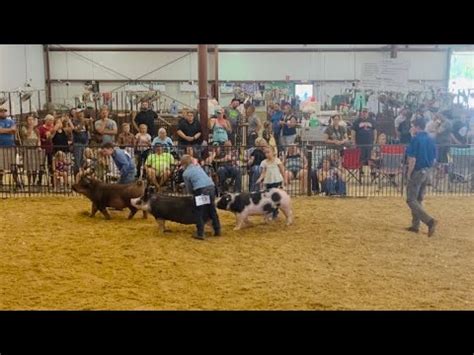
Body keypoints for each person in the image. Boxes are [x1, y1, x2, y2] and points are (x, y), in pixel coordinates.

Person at [405, 117, 437, 237]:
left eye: (412, 126)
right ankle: (415, 226)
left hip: (418, 170)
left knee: (411, 199)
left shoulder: (416, 139)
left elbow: (412, 158)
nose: (411, 128)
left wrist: (409, 173)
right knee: (418, 199)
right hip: (427, 170)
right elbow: (434, 158)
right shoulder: (430, 139)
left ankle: (430, 221)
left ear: (417, 127)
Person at [181, 154, 221, 240]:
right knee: (211, 208)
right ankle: (217, 229)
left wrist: (192, 195)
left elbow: (189, 189)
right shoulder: (198, 167)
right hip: (211, 187)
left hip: (201, 189)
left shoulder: (185, 173)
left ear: (183, 164)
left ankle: (200, 233)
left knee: (198, 210)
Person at [351, 108, 377, 175]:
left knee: (371, 158)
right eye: (363, 112)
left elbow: (375, 131)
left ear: (368, 113)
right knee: (361, 159)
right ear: (361, 113)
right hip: (360, 144)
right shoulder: (356, 121)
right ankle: (361, 171)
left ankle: (372, 172)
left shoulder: (372, 121)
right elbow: (353, 132)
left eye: (366, 112)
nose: (364, 113)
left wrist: (374, 141)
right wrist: (353, 143)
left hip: (370, 144)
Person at [20, 114, 43, 186]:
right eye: (29, 120)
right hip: (27, 149)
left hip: (35, 149)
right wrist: (31, 127)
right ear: (26, 121)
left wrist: (39, 146)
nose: (31, 121)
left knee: (35, 167)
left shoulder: (36, 130)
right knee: (28, 167)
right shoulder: (24, 128)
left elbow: (38, 139)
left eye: (32, 119)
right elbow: (27, 135)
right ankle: (29, 182)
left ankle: (34, 182)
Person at [0, 106, 18, 187]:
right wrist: (9, 130)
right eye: (1, 111)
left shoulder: (11, 121)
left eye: (4, 111)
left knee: (13, 165)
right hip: (1, 146)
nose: (3, 113)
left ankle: (16, 181)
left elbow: (14, 130)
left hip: (10, 146)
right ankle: (0, 181)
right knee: (1, 165)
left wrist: (3, 130)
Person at [38, 114, 57, 186]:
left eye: (52, 120)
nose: (51, 122)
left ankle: (52, 180)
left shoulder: (52, 128)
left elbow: (51, 137)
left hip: (50, 148)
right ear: (46, 120)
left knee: (50, 164)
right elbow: (44, 137)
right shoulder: (41, 128)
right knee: (41, 164)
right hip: (43, 148)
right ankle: (39, 180)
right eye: (50, 120)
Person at [71, 109, 90, 176]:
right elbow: (77, 130)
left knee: (84, 161)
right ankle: (76, 175)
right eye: (79, 113)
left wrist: (90, 123)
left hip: (85, 143)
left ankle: (83, 175)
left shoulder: (85, 122)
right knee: (77, 161)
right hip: (77, 143)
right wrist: (82, 122)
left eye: (82, 112)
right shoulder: (74, 122)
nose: (81, 114)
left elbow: (88, 131)